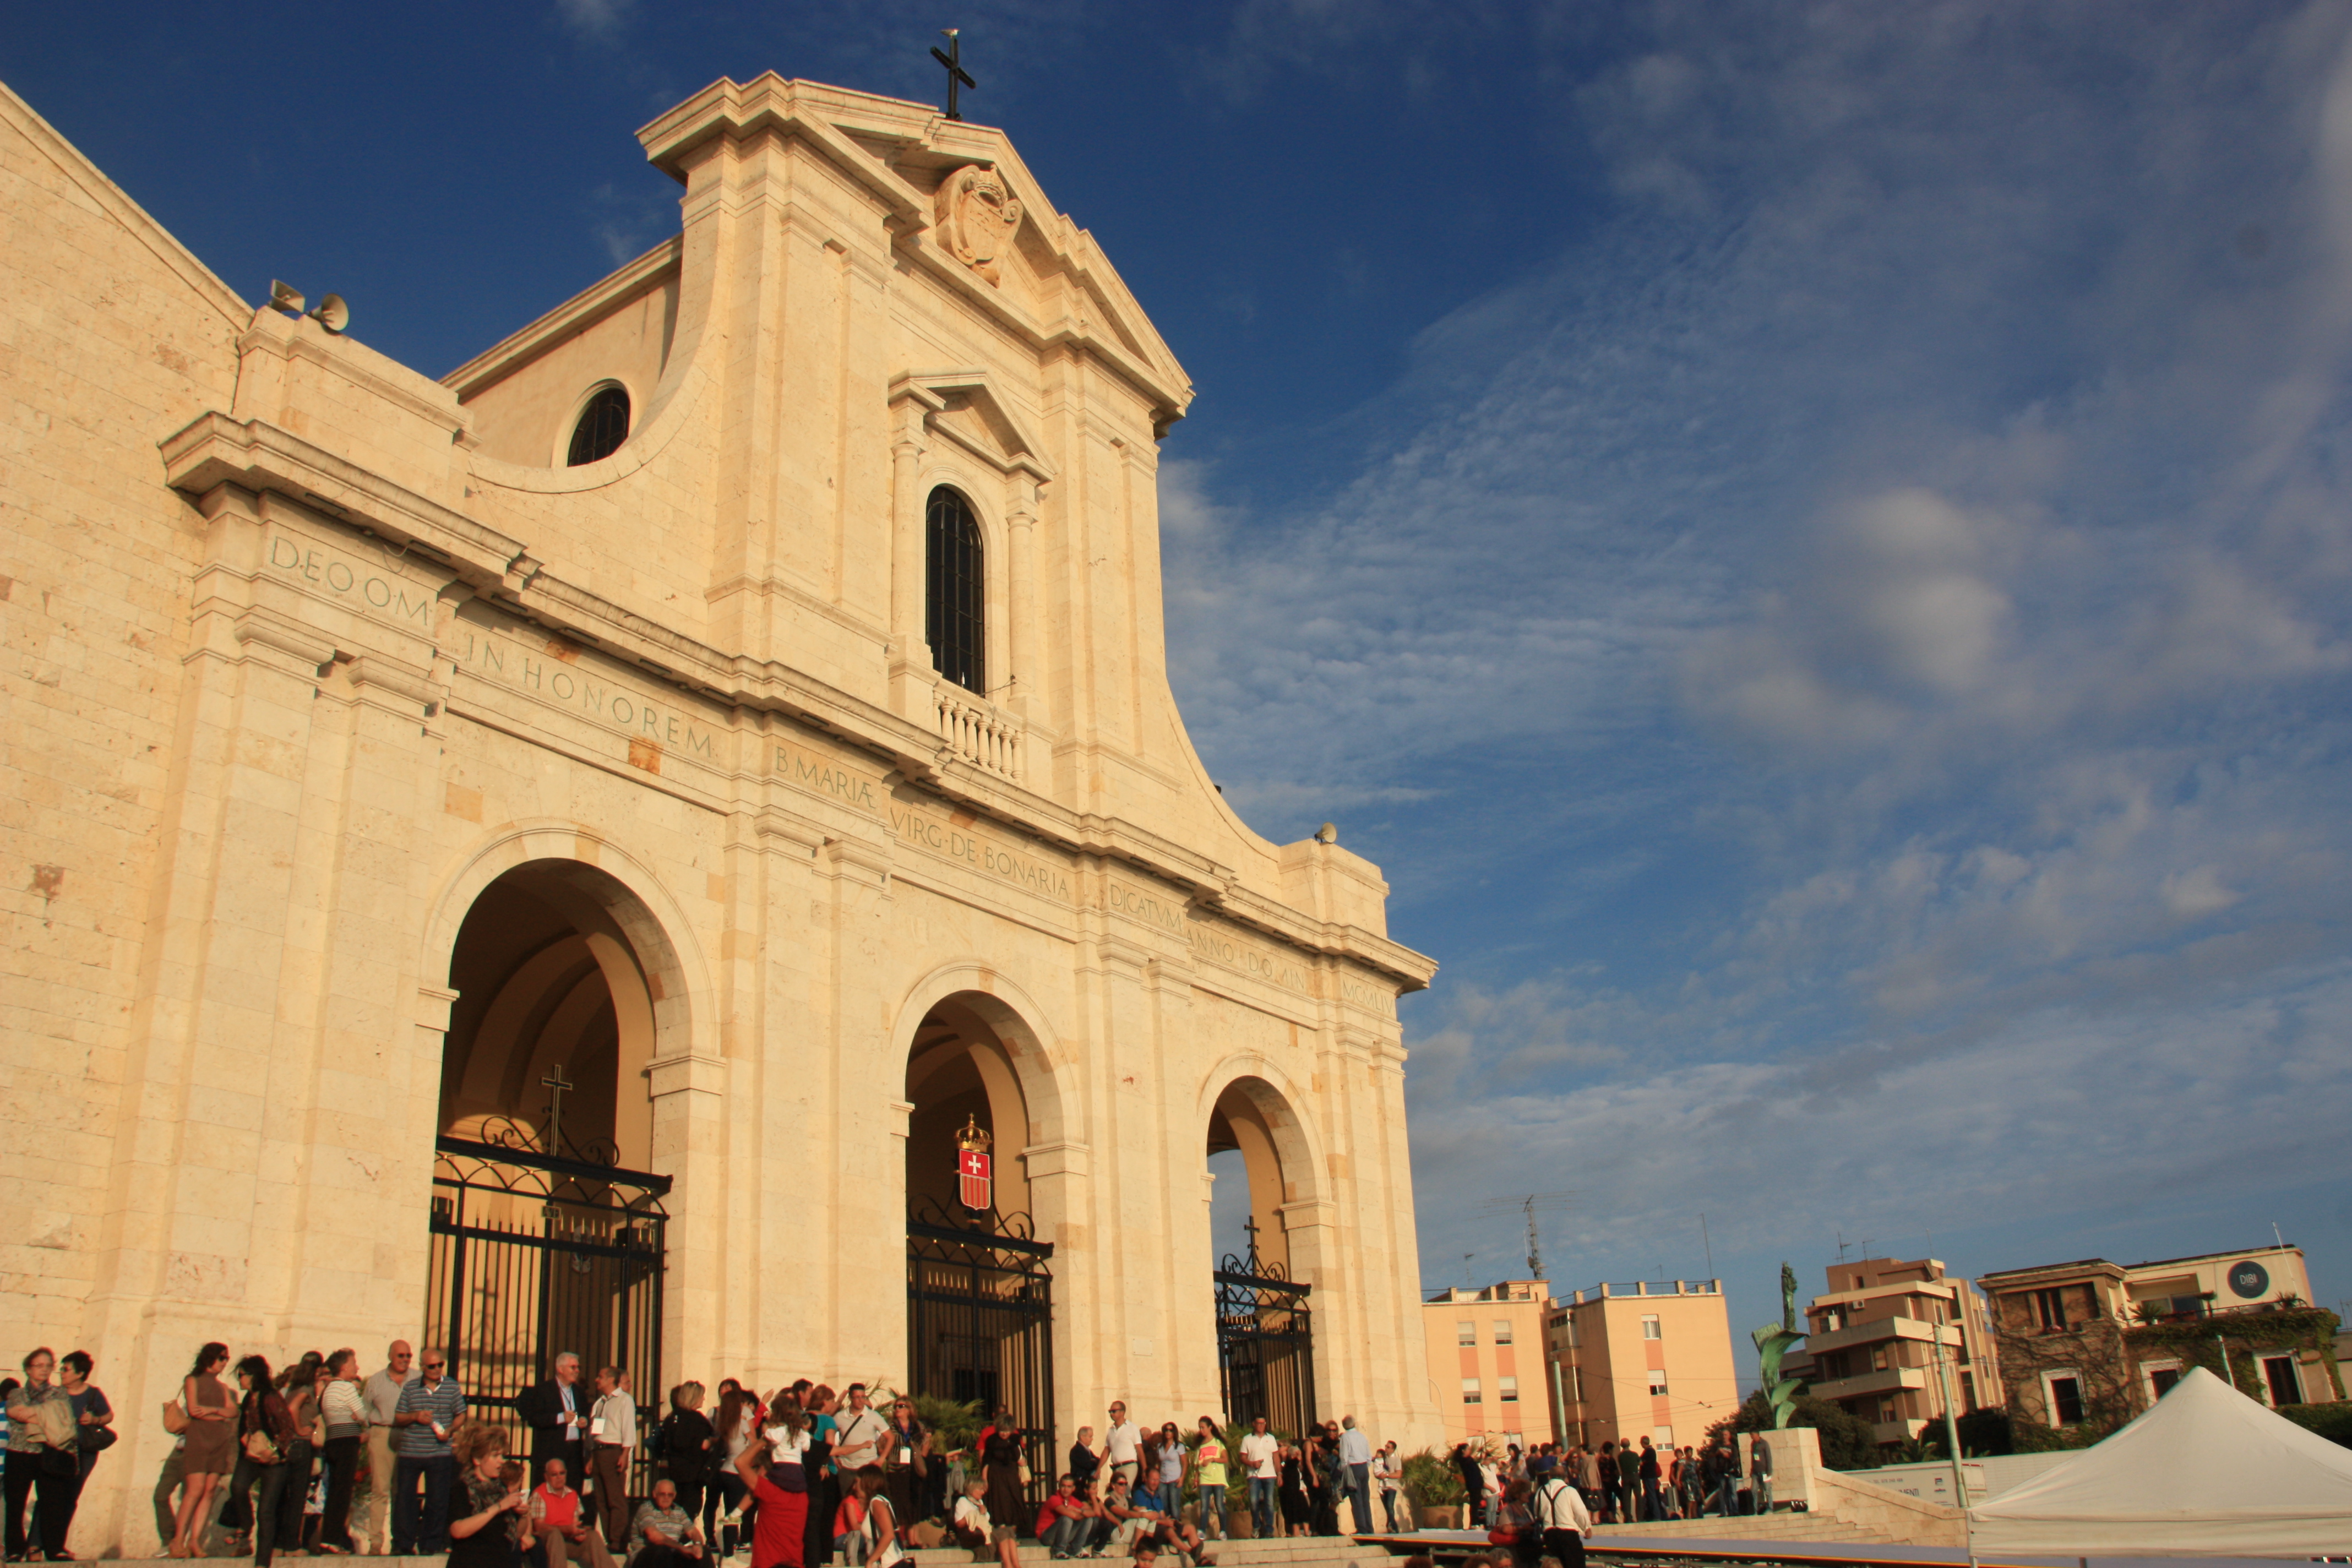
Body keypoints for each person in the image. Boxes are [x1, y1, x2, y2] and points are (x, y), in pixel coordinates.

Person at [391, 1347, 466, 1555]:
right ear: (423, 1367)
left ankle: (430, 1544)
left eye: (440, 1365)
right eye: (432, 1366)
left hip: (440, 1452)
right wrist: (415, 1416)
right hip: (411, 1451)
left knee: (437, 1500)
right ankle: (403, 1543)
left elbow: (461, 1414)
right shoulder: (410, 1388)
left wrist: (450, 1430)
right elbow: (399, 1417)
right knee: (405, 1499)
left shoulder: (452, 1386)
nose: (437, 1369)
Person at [166, 1343, 237, 1558]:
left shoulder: (222, 1387)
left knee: (209, 1490)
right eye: (221, 1358)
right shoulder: (193, 1380)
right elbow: (195, 1411)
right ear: (210, 1358)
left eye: (226, 1358)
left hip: (219, 1441)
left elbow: (233, 1411)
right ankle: (178, 1540)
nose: (224, 1363)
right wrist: (220, 1414)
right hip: (199, 1439)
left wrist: (213, 1411)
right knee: (195, 1489)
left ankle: (195, 1541)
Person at [232, 1355, 302, 1568]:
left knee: (266, 1512)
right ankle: (246, 1524)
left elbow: (287, 1428)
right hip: (252, 1456)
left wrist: (273, 1450)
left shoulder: (271, 1397)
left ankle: (262, 1563)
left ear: (253, 1376)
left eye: (241, 1375)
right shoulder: (249, 1398)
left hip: (274, 1460)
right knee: (238, 1486)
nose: (239, 1380)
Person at [5, 1349, 72, 1563]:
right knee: (15, 1504)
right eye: (39, 1365)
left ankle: (54, 1548)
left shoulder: (59, 1393)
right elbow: (16, 1413)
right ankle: (15, 1549)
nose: (44, 1370)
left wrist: (33, 1414)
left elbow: (62, 1418)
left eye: (48, 1365)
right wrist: (46, 1415)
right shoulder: (16, 1394)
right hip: (20, 1453)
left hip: (48, 1452)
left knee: (53, 1503)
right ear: (28, 1369)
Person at [55, 1351, 113, 1551]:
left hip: (84, 1452)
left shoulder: (93, 1394)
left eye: (66, 1369)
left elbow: (108, 1416)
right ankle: (36, 1543)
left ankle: (58, 1543)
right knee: (51, 1496)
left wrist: (95, 1420)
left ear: (80, 1374)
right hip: (59, 1450)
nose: (62, 1373)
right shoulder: (56, 1394)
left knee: (71, 1497)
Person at [447, 1424, 527, 1568]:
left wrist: (524, 1515)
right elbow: (458, 1531)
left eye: (502, 1455)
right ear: (477, 1460)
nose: (501, 1461)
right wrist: (499, 1507)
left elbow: (516, 1535)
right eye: (495, 1456)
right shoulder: (463, 1489)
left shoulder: (501, 1489)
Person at [362, 1344, 414, 1556]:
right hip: (383, 1432)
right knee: (380, 1489)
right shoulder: (376, 1381)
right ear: (391, 1356)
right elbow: (365, 1409)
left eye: (409, 1355)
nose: (405, 1359)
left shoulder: (418, 1378)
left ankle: (401, 1541)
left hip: (409, 1434)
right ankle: (375, 1542)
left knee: (403, 1490)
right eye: (401, 1355)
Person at [317, 1349, 367, 1554]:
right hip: (347, 1443)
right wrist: (360, 1419)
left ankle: (328, 1538)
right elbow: (363, 1414)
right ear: (344, 1367)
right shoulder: (347, 1388)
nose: (357, 1367)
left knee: (334, 1492)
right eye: (354, 1363)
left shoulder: (328, 1390)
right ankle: (333, 1539)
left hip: (332, 1442)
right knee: (342, 1493)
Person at [737, 1428, 808, 1568]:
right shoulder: (804, 1496)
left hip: (767, 1563)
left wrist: (765, 1440)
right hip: (794, 1563)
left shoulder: (769, 1491)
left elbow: (740, 1462)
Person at [518, 1356, 591, 1489]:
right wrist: (560, 1418)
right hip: (552, 1450)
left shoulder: (579, 1392)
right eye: (573, 1367)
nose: (577, 1371)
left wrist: (584, 1421)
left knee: (573, 1491)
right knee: (548, 1491)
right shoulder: (544, 1390)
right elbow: (534, 1418)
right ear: (560, 1369)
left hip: (574, 1452)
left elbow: (586, 1412)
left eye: (578, 1367)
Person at [527, 1458, 614, 1568]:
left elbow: (575, 1524)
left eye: (562, 1473)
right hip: (547, 1543)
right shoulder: (540, 1494)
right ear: (546, 1477)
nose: (559, 1477)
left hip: (568, 1542)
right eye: (554, 1475)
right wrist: (566, 1529)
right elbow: (539, 1526)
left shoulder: (572, 1494)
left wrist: (578, 1533)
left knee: (593, 1536)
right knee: (555, 1535)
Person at [587, 1367, 637, 1550]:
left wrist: (625, 1454)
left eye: (600, 1377)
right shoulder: (600, 1403)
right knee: (601, 1498)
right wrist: (592, 1456)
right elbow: (596, 1431)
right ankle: (609, 1539)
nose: (597, 1380)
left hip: (613, 1451)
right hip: (599, 1451)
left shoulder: (624, 1400)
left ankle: (618, 1540)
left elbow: (628, 1429)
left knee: (616, 1498)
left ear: (610, 1380)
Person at [660, 1384, 715, 1525]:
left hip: (674, 1472)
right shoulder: (698, 1421)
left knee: (674, 1511)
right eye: (701, 1396)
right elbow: (703, 1445)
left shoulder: (672, 1418)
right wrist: (714, 1441)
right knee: (690, 1512)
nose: (704, 1399)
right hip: (693, 1475)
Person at [629, 1478, 707, 1568]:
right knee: (662, 1551)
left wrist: (698, 1545)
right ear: (654, 1494)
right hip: (645, 1557)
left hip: (671, 1555)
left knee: (704, 1552)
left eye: (670, 1495)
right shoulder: (646, 1509)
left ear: (675, 1496)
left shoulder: (679, 1511)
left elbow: (693, 1532)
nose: (666, 1498)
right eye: (663, 1494)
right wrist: (681, 1548)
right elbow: (654, 1537)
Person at [879, 1397, 925, 1549]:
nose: (898, 1409)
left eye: (901, 1406)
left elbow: (925, 1445)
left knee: (914, 1503)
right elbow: (881, 1444)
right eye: (896, 1407)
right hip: (896, 1469)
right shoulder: (890, 1426)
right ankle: (899, 1538)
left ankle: (913, 1539)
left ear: (909, 1409)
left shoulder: (918, 1427)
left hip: (913, 1470)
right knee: (898, 1503)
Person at [977, 1408, 1023, 1544]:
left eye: (1007, 1431)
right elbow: (986, 1461)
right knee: (999, 1504)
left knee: (1014, 1504)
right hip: (996, 1476)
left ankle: (1013, 1536)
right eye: (1002, 1430)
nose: (1004, 1434)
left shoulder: (1015, 1439)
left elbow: (1021, 1459)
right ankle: (1002, 1536)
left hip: (1011, 1475)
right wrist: (985, 1479)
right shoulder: (992, 1440)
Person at [950, 1476, 1019, 1568]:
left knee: (1009, 1530)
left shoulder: (980, 1502)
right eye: (981, 1489)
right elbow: (959, 1523)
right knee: (1002, 1533)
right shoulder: (963, 1501)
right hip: (973, 1535)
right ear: (972, 1489)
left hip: (985, 1531)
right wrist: (976, 1513)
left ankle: (1017, 1565)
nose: (983, 1492)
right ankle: (1008, 1565)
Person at [1531, 1468, 1591, 1568]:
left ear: (1549, 1477)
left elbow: (1538, 1513)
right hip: (1569, 1534)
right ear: (1566, 1478)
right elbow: (1580, 1512)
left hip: (1550, 1535)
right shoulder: (1570, 1491)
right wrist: (1587, 1528)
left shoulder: (1541, 1491)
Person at [1238, 1418, 1278, 1542]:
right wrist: (1252, 1464)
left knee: (1269, 1502)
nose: (1261, 1426)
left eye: (1263, 1423)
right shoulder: (1247, 1439)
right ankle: (1257, 1526)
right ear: (1254, 1424)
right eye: (1259, 1423)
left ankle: (1269, 1529)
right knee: (1254, 1502)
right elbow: (1243, 1457)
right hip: (1254, 1475)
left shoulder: (1271, 1438)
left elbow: (1276, 1456)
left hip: (1269, 1474)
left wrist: (1279, 1473)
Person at [1188, 1417, 1227, 1542]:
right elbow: (1196, 1464)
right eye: (1200, 1428)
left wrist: (1212, 1459)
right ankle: (1202, 1530)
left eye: (1203, 1427)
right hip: (1205, 1478)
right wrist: (1196, 1479)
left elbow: (1225, 1459)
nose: (1202, 1430)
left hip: (1217, 1478)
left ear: (1210, 1427)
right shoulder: (1201, 1445)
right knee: (1204, 1506)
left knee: (1219, 1505)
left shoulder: (1218, 1443)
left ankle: (1223, 1531)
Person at [1034, 1474, 1090, 1560]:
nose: (1066, 1489)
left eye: (1069, 1487)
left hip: (1061, 1535)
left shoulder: (1072, 1500)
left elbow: (1093, 1513)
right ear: (1059, 1486)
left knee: (1089, 1520)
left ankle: (1076, 1549)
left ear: (1073, 1488)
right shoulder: (1054, 1499)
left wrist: (1081, 1511)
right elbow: (1072, 1515)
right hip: (1047, 1536)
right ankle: (1059, 1550)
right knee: (1066, 1519)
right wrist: (1083, 1513)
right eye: (1063, 1486)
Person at [1335, 1417, 1371, 1535]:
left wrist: (1343, 1470)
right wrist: (1366, 1465)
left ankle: (1362, 1528)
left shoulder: (1345, 1437)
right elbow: (1369, 1455)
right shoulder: (1362, 1436)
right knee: (1365, 1500)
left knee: (1356, 1499)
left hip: (1353, 1468)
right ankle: (1369, 1527)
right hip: (1364, 1467)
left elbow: (1344, 1456)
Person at [1098, 1405, 1140, 1493]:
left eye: (1114, 1411)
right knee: (1115, 1493)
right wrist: (1099, 1468)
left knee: (1125, 1491)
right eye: (1110, 1412)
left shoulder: (1132, 1428)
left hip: (1129, 1466)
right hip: (1116, 1467)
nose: (1111, 1414)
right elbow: (1107, 1450)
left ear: (1122, 1412)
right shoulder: (1111, 1430)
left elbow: (1139, 1449)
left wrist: (1144, 1469)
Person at [1276, 1441, 1309, 1538]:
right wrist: (1296, 1456)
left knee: (1303, 1510)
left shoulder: (1296, 1466)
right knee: (1294, 1511)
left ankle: (1304, 1532)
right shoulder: (1290, 1464)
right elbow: (1293, 1462)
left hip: (1298, 1490)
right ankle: (1295, 1532)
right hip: (1291, 1491)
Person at [1450, 1444, 1483, 1530]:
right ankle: (1474, 1523)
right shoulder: (1464, 1461)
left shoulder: (1470, 1459)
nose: (1470, 1450)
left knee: (1477, 1504)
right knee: (1474, 1504)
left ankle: (1476, 1522)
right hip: (1473, 1484)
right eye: (1468, 1449)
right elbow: (1470, 1473)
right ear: (1463, 1451)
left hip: (1477, 1484)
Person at [1371, 1441, 1402, 1533]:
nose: (1386, 1448)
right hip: (1383, 1487)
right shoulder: (1383, 1459)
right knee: (1387, 1508)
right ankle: (1393, 1527)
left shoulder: (1396, 1459)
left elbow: (1398, 1474)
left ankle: (1391, 1525)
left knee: (1390, 1506)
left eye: (1388, 1447)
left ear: (1393, 1449)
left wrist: (1387, 1475)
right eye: (1386, 1446)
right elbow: (1377, 1471)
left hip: (1392, 1486)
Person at [1065, 1429, 1097, 1500]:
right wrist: (1093, 1462)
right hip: (1080, 1486)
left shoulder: (1087, 1450)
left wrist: (1094, 1462)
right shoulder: (1077, 1450)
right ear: (1083, 1437)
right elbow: (1088, 1465)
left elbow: (1098, 1460)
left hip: (1087, 1484)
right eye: (1090, 1437)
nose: (1092, 1439)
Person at [1636, 1437, 1660, 1523]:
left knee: (1651, 1496)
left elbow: (1641, 1460)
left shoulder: (1649, 1451)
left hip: (1649, 1477)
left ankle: (1656, 1516)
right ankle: (1652, 1515)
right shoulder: (1651, 1451)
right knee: (1650, 1496)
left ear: (1643, 1443)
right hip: (1650, 1477)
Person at [1747, 1434, 1772, 1515]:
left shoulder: (1764, 1443)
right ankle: (1755, 1510)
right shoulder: (1753, 1444)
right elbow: (1753, 1458)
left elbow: (1768, 1457)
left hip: (1764, 1472)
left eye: (1753, 1435)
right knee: (1754, 1490)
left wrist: (1769, 1470)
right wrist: (1752, 1469)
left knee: (1767, 1490)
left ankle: (1770, 1508)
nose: (1752, 1437)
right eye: (1751, 1436)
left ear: (1757, 1434)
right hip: (1756, 1472)